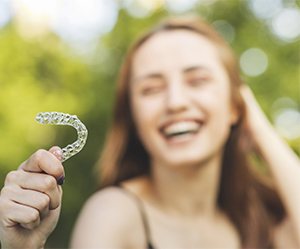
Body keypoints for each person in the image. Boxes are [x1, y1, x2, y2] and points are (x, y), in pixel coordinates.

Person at [0, 16, 299, 249]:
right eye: (151, 89)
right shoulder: (114, 214)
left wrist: (258, 126)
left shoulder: (263, 218)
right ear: (133, 116)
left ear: (235, 105)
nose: (175, 102)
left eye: (197, 80)